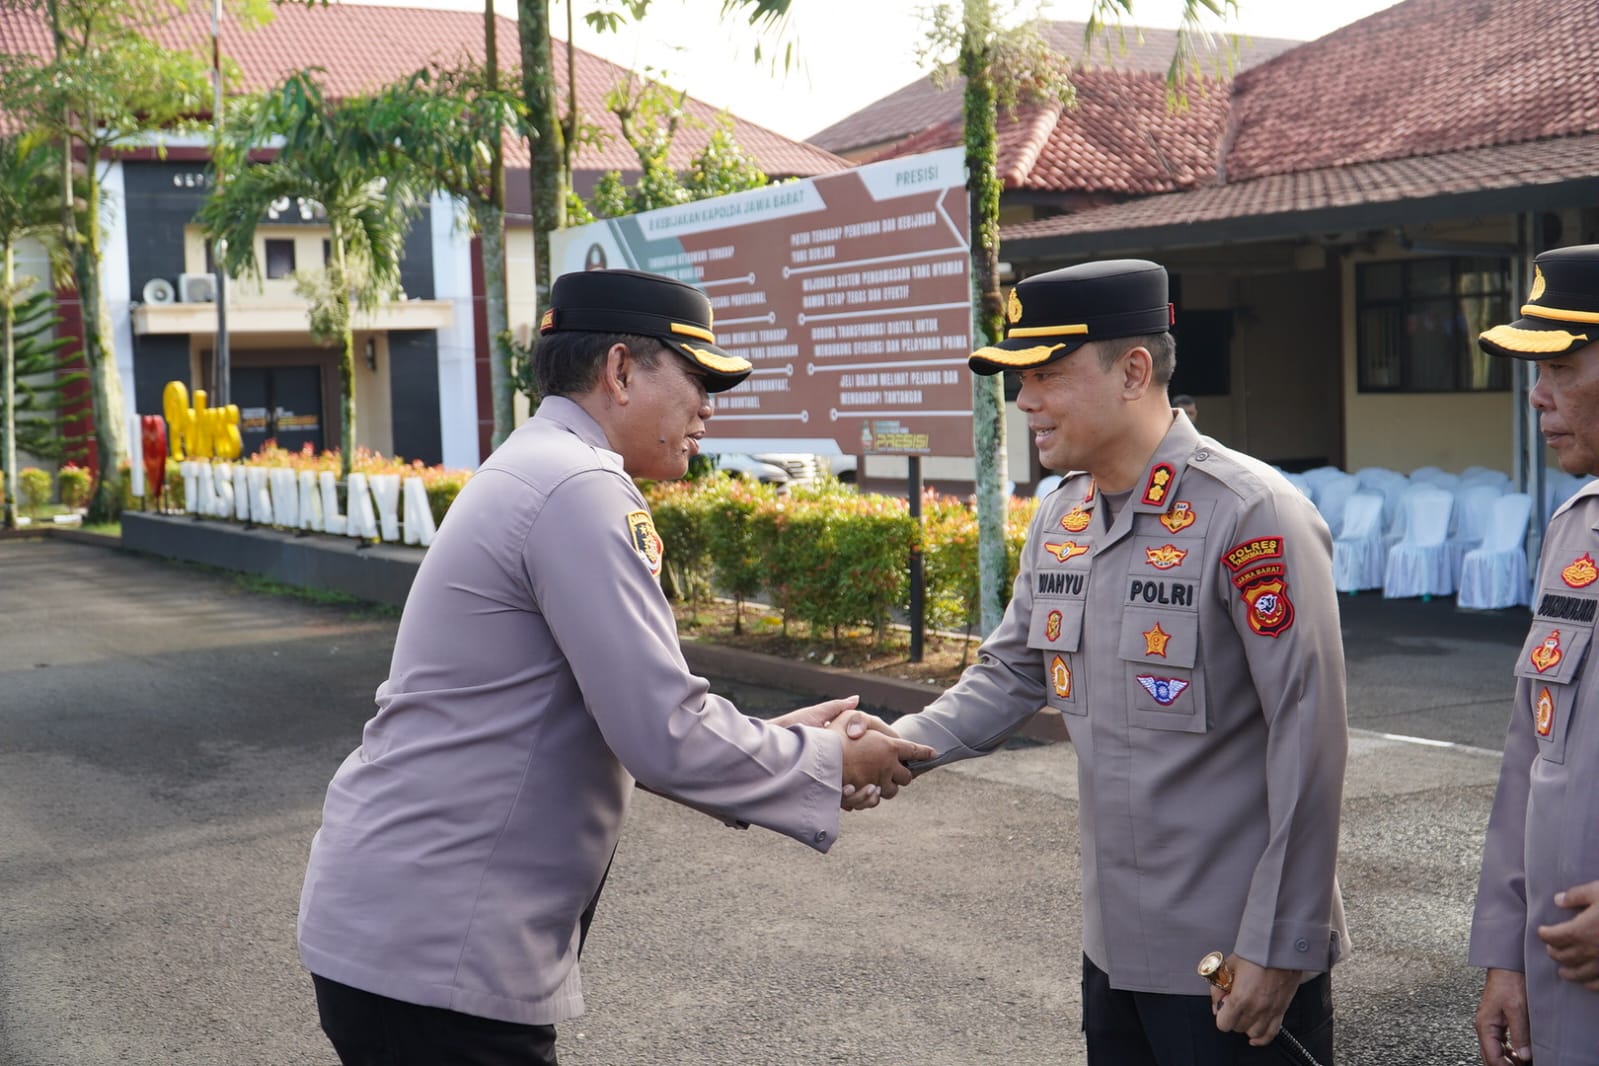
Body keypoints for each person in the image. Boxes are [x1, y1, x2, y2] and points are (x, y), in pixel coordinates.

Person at [296, 268, 934, 1066]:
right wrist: (829, 758)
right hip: (437, 947)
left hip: (409, 924)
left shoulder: (539, 463)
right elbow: (662, 733)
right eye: (697, 379)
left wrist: (775, 739)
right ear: (621, 370)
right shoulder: (580, 486)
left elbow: (624, 718)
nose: (709, 408)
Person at [892, 259, 1350, 1065]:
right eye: (1020, 380)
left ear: (1133, 371)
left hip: (1233, 957)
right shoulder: (1062, 515)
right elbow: (1010, 672)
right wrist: (890, 745)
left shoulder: (1250, 513)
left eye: (1046, 376)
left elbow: (1308, 738)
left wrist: (1281, 942)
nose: (1024, 400)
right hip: (1114, 947)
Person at [1471, 244, 1599, 1066]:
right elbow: (1529, 760)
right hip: (1559, 988)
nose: (1536, 394)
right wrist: (1504, 954)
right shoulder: (1574, 528)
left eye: (1558, 366)